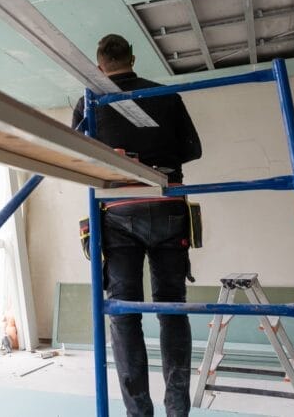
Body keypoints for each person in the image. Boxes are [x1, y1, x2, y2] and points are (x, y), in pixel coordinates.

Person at [72, 34, 202, 417]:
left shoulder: (90, 101)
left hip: (119, 210)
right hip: (167, 209)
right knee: (172, 309)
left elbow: (80, 154)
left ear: (99, 68)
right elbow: (193, 150)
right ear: (133, 57)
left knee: (124, 314)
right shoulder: (166, 95)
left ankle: (138, 414)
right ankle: (177, 410)